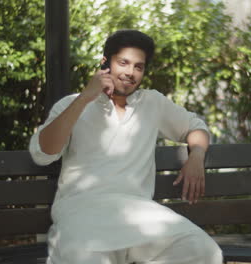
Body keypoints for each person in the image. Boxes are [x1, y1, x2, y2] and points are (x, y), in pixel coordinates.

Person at [29, 29, 222, 264]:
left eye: (138, 67)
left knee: (202, 250)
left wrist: (196, 156)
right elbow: (43, 153)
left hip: (139, 212)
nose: (130, 72)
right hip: (81, 209)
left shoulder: (152, 103)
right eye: (123, 63)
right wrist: (85, 98)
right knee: (83, 257)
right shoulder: (71, 105)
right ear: (105, 63)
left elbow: (196, 127)